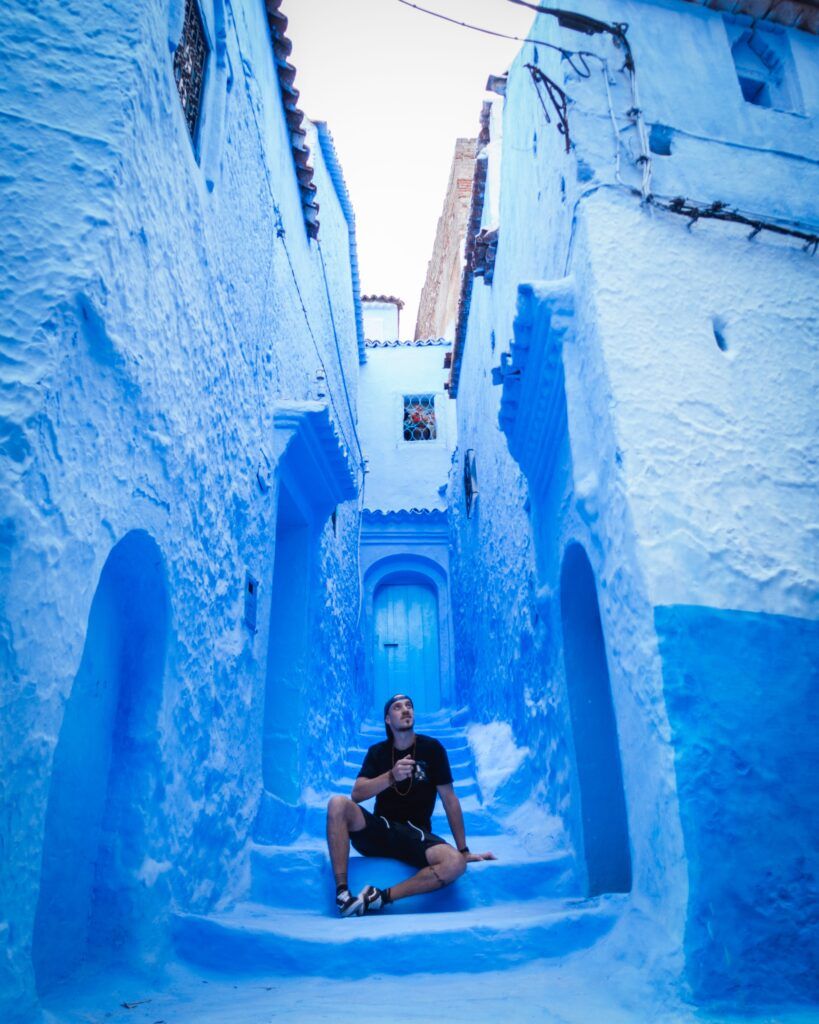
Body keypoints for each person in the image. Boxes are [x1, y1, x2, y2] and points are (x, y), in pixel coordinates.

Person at [326, 692, 496, 917]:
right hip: (381, 829)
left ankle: (379, 897)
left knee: (455, 863)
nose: (406, 709)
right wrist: (391, 776)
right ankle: (343, 895)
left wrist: (463, 850)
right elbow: (356, 794)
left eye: (409, 706)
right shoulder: (377, 752)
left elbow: (450, 800)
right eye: (398, 707)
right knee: (337, 804)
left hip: (417, 836)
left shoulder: (432, 749)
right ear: (387, 719)